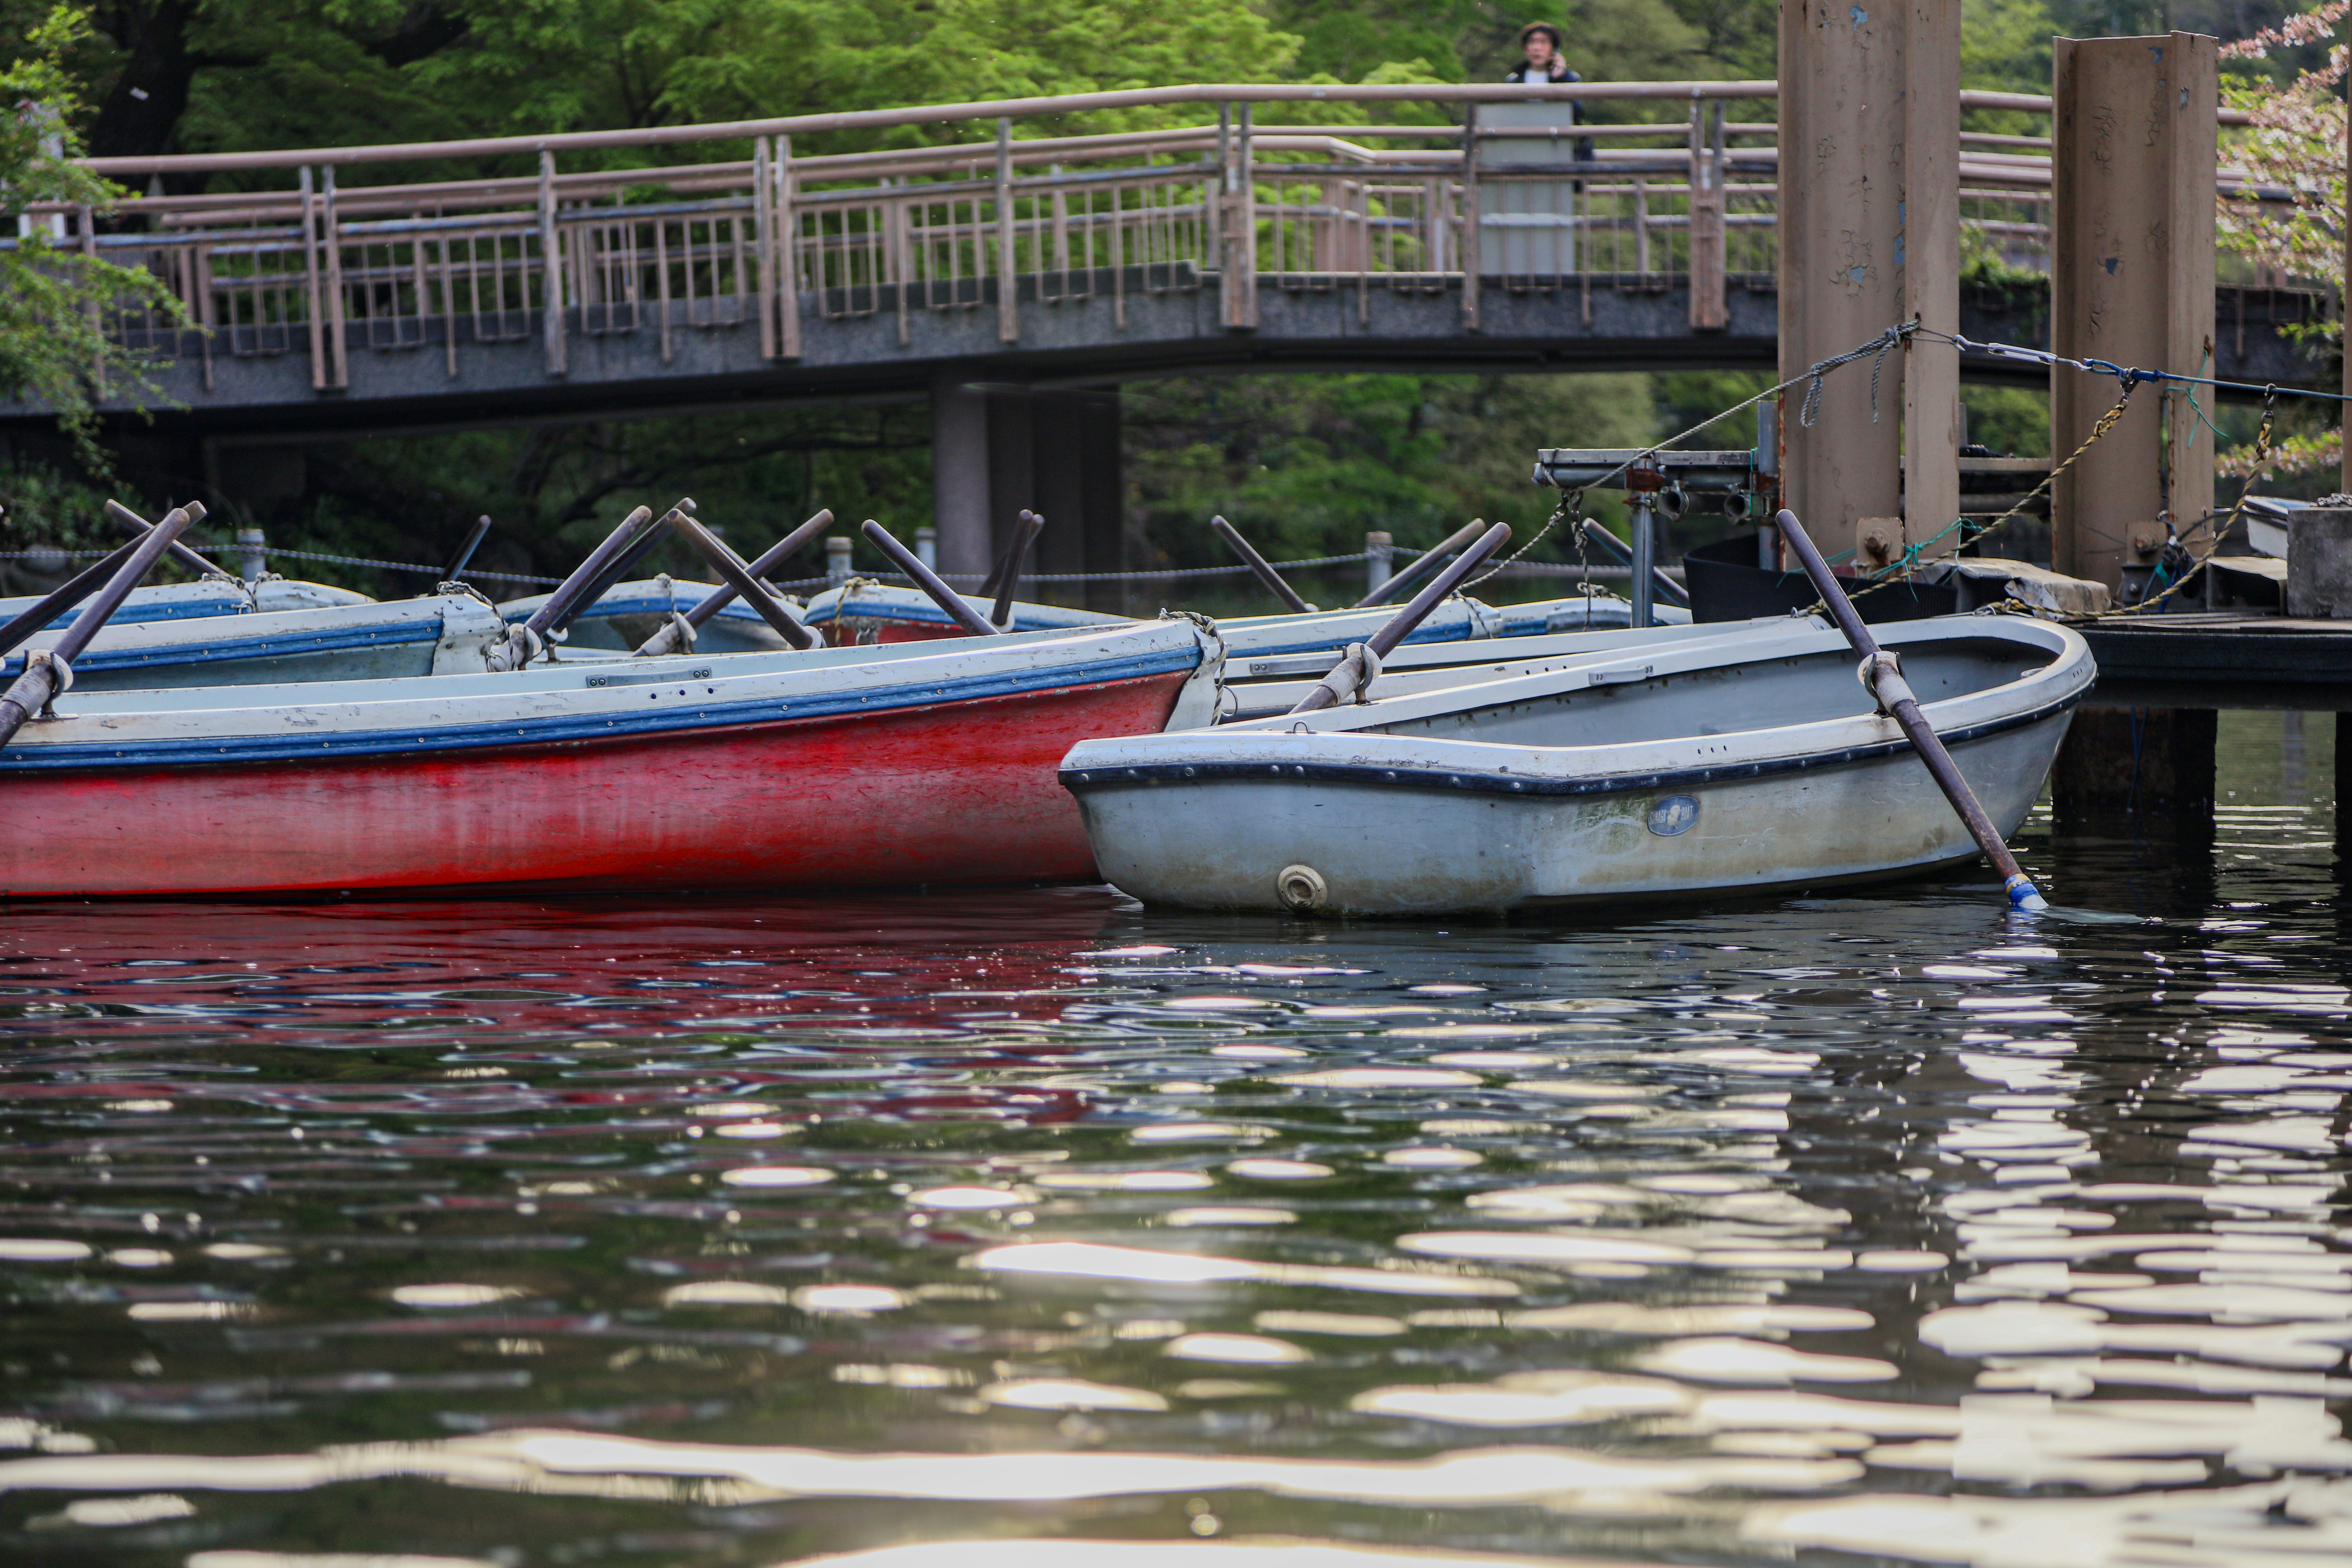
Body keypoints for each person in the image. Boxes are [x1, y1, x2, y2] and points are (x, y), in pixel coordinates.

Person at [1505, 22, 1579, 86]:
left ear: (1554, 49)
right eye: (1532, 42)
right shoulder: (1514, 80)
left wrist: (1561, 78)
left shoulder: (1571, 79)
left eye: (1544, 42)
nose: (1537, 48)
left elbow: (1574, 102)